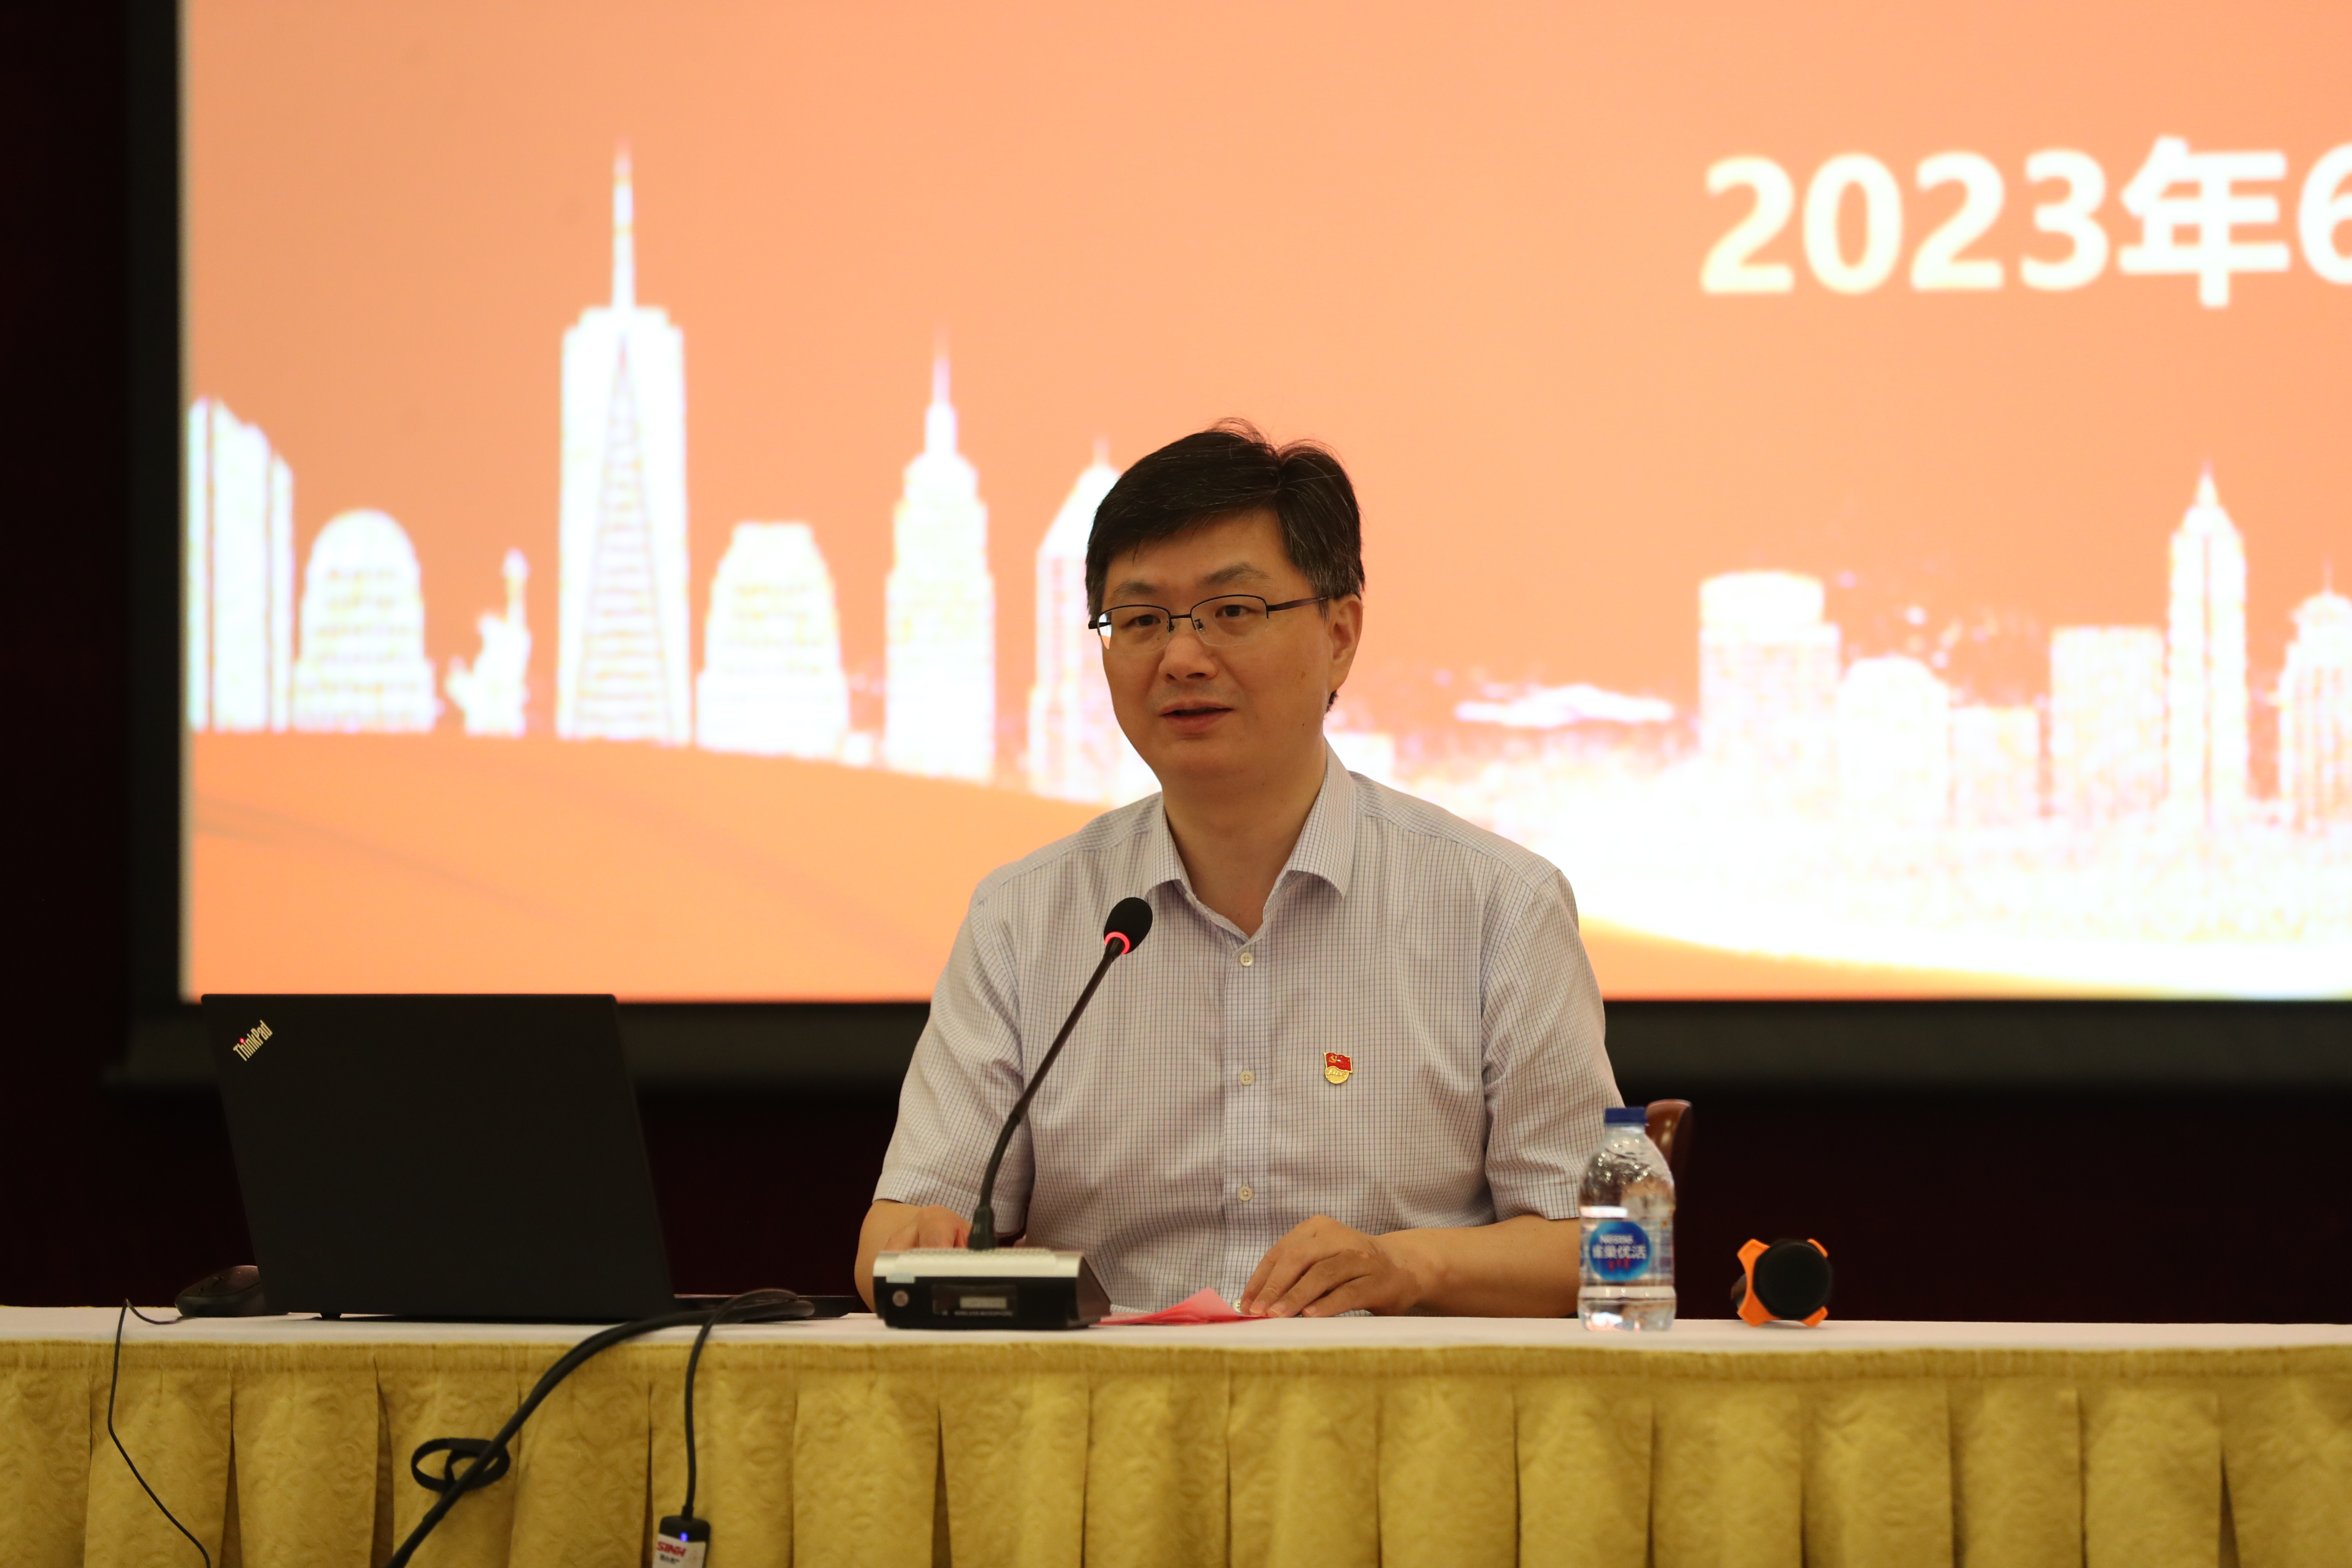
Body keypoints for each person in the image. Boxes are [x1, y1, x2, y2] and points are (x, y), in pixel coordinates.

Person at [855, 421, 1619, 1317]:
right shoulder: (1024, 920)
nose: (1182, 658)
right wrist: (917, 1243)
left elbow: (1598, 1247)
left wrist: (1412, 1267)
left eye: (1233, 612)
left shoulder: (1497, 909)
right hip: (1103, 1404)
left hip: (1390, 1398)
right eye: (1141, 621)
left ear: (1341, 634)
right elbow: (897, 1234)